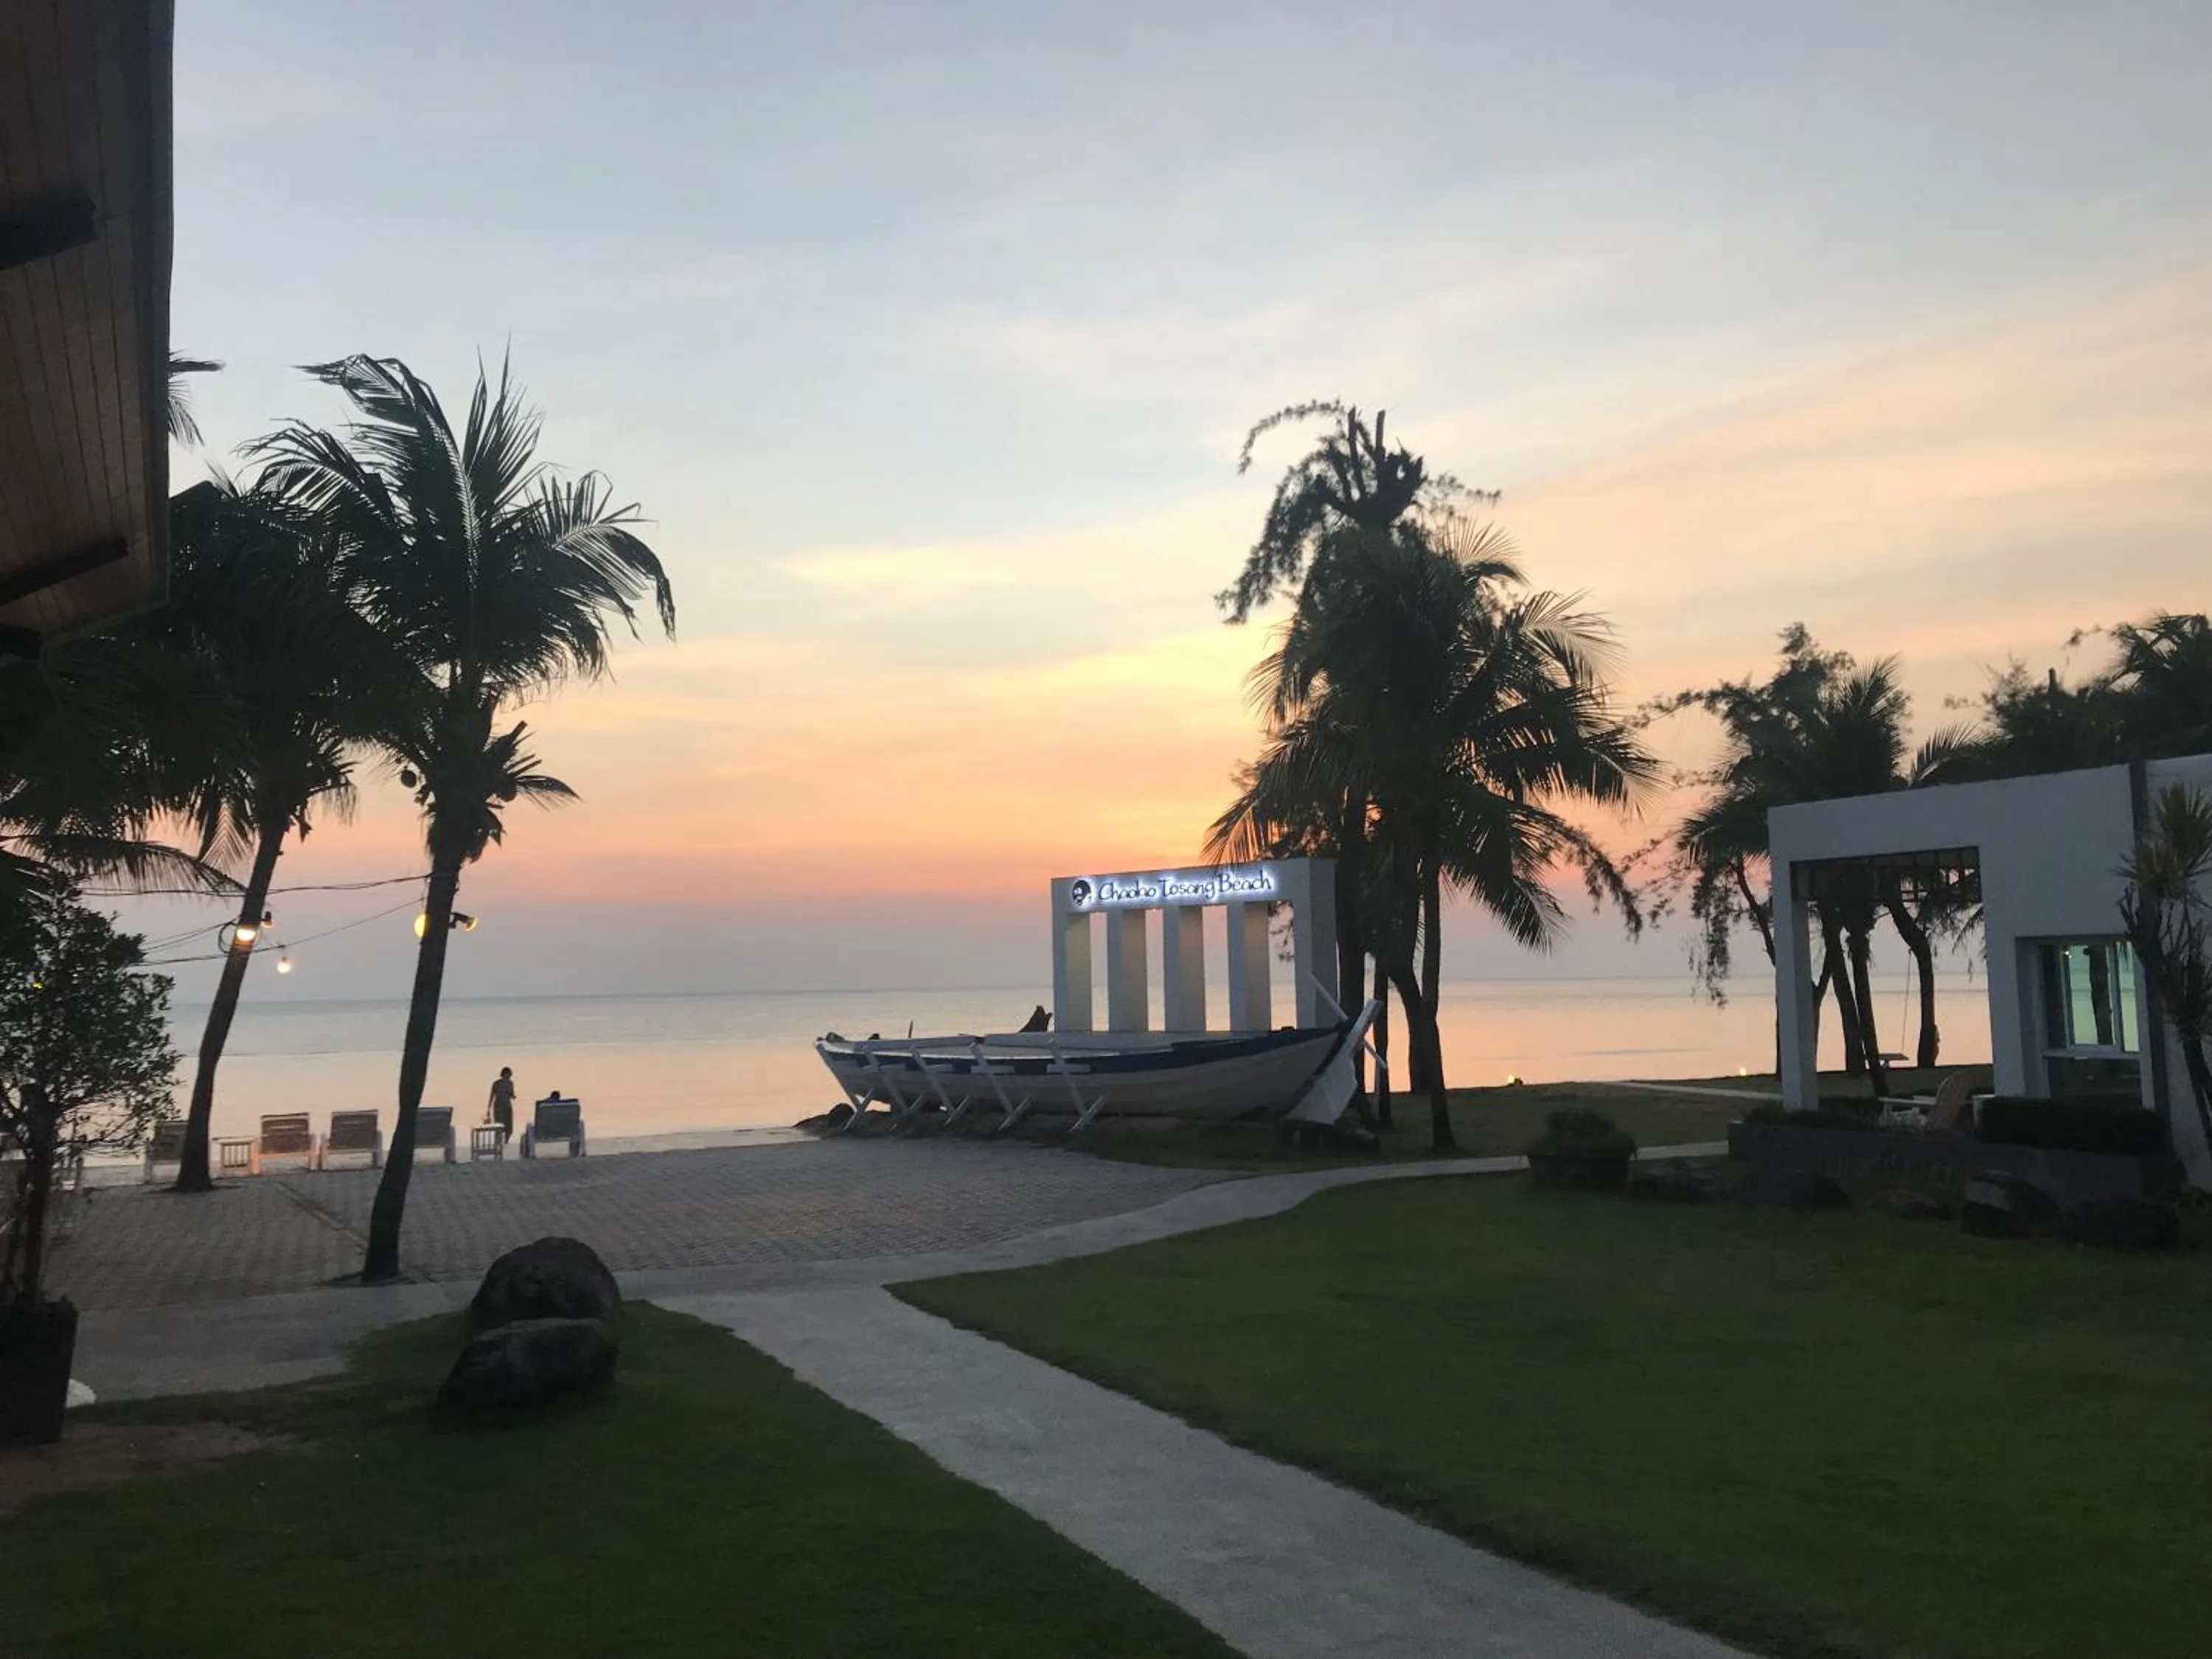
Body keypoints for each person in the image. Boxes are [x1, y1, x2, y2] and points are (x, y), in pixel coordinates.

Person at [487, 1066, 517, 1144]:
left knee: (505, 1128)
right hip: (502, 1106)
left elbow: (512, 1095)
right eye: (509, 1075)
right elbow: (492, 1096)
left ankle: (503, 1142)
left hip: (503, 1106)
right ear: (505, 1074)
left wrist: (488, 1109)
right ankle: (501, 1142)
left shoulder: (507, 1083)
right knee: (503, 1127)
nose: (509, 1076)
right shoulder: (501, 1083)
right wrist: (488, 1108)